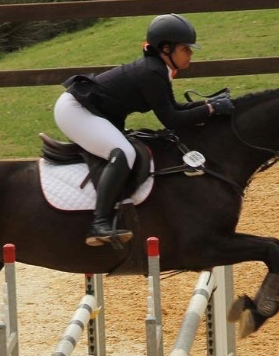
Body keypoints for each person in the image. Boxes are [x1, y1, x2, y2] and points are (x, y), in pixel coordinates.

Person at [55, 13, 235, 246]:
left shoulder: (158, 69)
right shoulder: (152, 72)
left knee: (127, 149)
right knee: (124, 153)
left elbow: (175, 108)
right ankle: (99, 223)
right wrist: (211, 109)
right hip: (76, 110)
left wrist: (208, 105)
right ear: (167, 49)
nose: (190, 53)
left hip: (93, 111)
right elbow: (171, 119)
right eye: (185, 48)